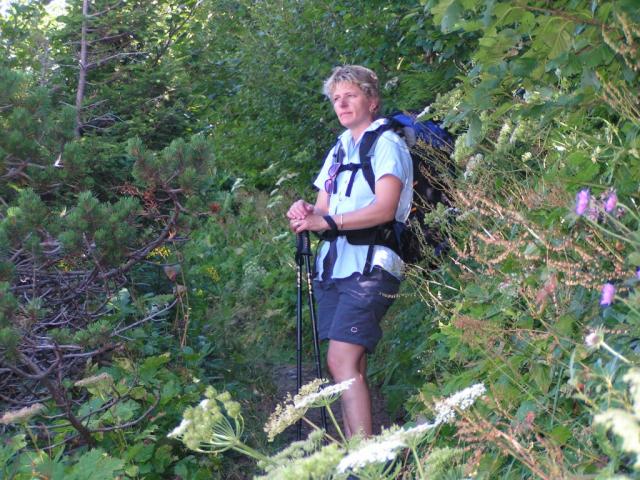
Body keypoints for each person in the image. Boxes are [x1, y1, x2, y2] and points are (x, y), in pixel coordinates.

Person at [286, 65, 413, 438]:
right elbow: (323, 208)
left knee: (340, 361)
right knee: (351, 365)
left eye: (350, 96)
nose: (341, 104)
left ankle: (361, 459)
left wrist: (326, 222)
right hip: (336, 267)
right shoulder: (339, 148)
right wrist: (306, 211)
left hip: (373, 266)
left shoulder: (388, 144)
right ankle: (362, 449)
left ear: (372, 101)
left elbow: (385, 209)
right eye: (336, 99)